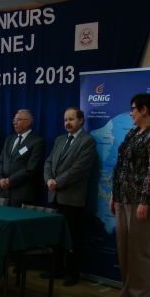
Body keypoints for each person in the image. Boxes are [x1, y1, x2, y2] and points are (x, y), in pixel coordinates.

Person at [109, 93, 150, 297]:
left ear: (145, 110)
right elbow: (121, 165)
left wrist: (144, 200)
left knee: (140, 251)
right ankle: (126, 294)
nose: (131, 112)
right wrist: (114, 194)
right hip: (123, 198)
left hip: (142, 201)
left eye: (134, 108)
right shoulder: (133, 133)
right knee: (124, 249)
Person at [44, 107, 97, 286]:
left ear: (81, 120)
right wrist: (49, 179)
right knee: (55, 235)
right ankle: (56, 269)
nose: (67, 123)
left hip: (72, 198)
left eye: (71, 119)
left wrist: (57, 182)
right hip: (54, 196)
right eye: (65, 119)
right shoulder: (60, 139)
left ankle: (72, 273)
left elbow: (79, 169)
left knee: (73, 237)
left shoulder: (87, 141)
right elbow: (48, 162)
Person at [0, 109, 44, 207]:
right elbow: (0, 162)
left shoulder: (37, 141)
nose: (14, 122)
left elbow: (31, 168)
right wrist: (0, 179)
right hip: (3, 192)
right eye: (14, 120)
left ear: (28, 122)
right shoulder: (9, 139)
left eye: (18, 120)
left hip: (22, 194)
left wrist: (10, 181)